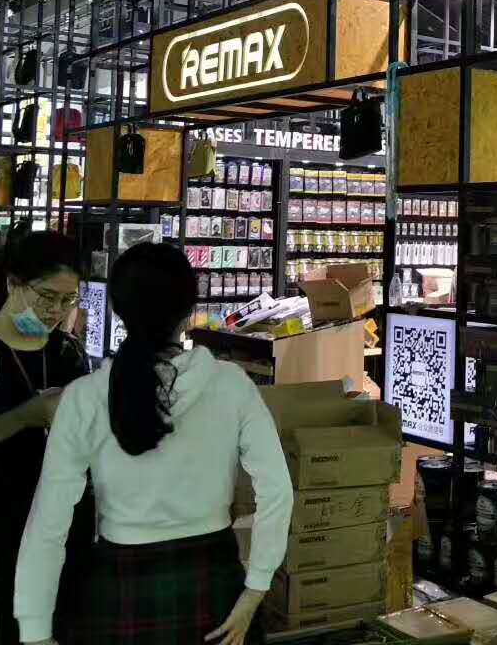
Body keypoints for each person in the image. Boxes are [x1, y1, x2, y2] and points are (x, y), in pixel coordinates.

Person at [15, 243, 292, 645]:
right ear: (189, 310)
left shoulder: (84, 396)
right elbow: (277, 491)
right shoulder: (232, 385)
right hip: (213, 578)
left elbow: (48, 521)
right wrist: (256, 587)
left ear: (117, 310)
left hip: (119, 581)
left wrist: (34, 629)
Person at [0, 229, 93, 645]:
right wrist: (27, 416)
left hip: (62, 520)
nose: (56, 310)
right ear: (13, 283)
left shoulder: (66, 351)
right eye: (46, 296)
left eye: (69, 300)